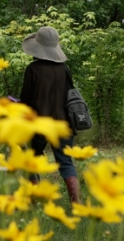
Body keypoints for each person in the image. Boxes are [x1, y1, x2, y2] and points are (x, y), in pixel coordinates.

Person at [19, 26, 81, 203]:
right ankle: (76, 202)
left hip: (39, 124)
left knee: (31, 159)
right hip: (63, 124)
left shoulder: (33, 69)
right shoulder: (64, 69)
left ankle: (34, 200)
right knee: (66, 163)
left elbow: (25, 100)